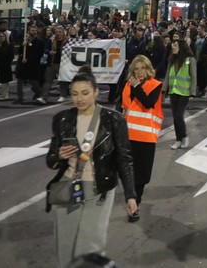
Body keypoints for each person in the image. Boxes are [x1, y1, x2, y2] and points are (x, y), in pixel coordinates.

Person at [45, 70, 138, 267]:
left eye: (85, 93)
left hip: (99, 189)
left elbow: (124, 159)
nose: (79, 98)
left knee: (88, 250)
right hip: (68, 187)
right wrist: (59, 156)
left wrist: (131, 195)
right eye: (75, 93)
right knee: (66, 250)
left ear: (97, 92)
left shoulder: (113, 119)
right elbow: (51, 160)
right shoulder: (62, 119)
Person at [119, 55, 163, 221]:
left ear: (148, 69)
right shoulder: (127, 86)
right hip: (128, 136)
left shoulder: (155, 85)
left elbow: (147, 102)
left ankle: (136, 201)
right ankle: (133, 205)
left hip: (145, 137)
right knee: (128, 173)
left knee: (141, 176)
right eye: (136, 69)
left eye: (142, 68)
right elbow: (123, 107)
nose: (139, 72)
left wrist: (137, 86)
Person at [166, 39, 197, 149]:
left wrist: (192, 93)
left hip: (184, 92)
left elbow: (193, 76)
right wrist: (165, 88)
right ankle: (178, 140)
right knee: (175, 117)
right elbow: (168, 75)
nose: (172, 47)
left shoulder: (190, 60)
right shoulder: (172, 59)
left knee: (179, 116)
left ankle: (184, 136)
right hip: (173, 91)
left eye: (175, 45)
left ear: (181, 47)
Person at [16, 26, 44, 104]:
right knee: (19, 80)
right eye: (32, 30)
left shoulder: (39, 42)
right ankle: (20, 97)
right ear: (29, 31)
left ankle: (40, 94)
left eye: (35, 30)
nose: (34, 31)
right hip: (23, 64)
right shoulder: (25, 40)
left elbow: (39, 53)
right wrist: (23, 45)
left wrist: (29, 59)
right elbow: (19, 51)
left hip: (33, 64)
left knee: (33, 81)